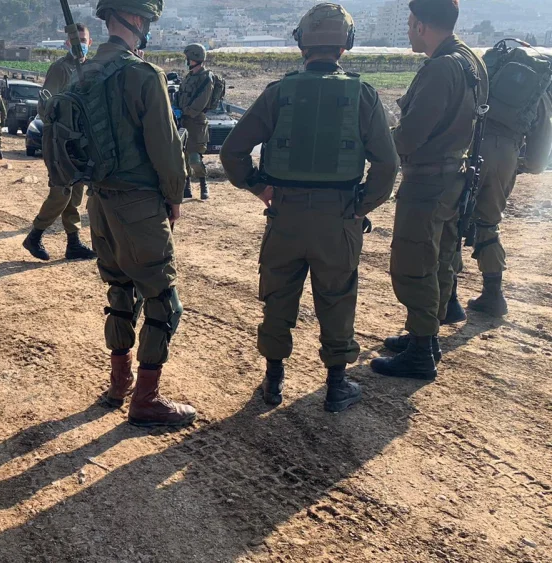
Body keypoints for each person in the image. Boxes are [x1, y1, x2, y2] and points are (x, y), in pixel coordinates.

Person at [219, 3, 399, 413]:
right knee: (337, 297)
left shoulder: (278, 93)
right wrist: (362, 205)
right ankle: (337, 385)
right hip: (339, 218)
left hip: (285, 214)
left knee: (278, 295)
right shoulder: (363, 95)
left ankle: (273, 380)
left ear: (302, 44)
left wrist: (259, 187)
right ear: (345, 44)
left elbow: (233, 151)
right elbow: (388, 164)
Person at [83, 0, 194, 427]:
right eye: (147, 20)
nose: (147, 27)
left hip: (100, 202)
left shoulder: (85, 73)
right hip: (138, 204)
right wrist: (174, 196)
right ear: (133, 20)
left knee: (119, 292)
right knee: (164, 302)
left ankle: (118, 384)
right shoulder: (143, 75)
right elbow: (166, 148)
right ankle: (146, 400)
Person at [371, 0, 488, 381]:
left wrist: (373, 146)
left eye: (409, 24)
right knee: (438, 259)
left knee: (413, 263)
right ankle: (425, 335)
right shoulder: (471, 60)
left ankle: (421, 351)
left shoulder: (440, 69)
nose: (407, 30)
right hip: (454, 175)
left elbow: (411, 134)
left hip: (428, 180)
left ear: (422, 26)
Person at [458, 87, 552, 316]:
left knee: (452, 219)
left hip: (468, 148)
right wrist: (517, 166)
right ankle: (493, 294)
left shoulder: (484, 73)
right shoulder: (537, 87)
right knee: (489, 223)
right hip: (506, 155)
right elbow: (539, 157)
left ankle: (447, 297)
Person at [22, 23, 98, 262]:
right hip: (60, 142)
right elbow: (45, 108)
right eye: (75, 41)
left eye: (84, 40)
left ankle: (73, 243)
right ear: (67, 43)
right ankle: (34, 235)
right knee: (61, 193)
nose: (80, 45)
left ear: (91, 42)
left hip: (81, 143)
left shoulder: (92, 70)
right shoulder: (60, 69)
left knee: (75, 193)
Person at [176, 43, 213, 200]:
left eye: (188, 58)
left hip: (197, 122)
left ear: (195, 58)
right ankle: (187, 186)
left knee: (195, 158)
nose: (187, 61)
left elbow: (200, 102)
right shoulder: (188, 77)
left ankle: (204, 184)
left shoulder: (206, 78)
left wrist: (185, 111)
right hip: (184, 121)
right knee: (183, 156)